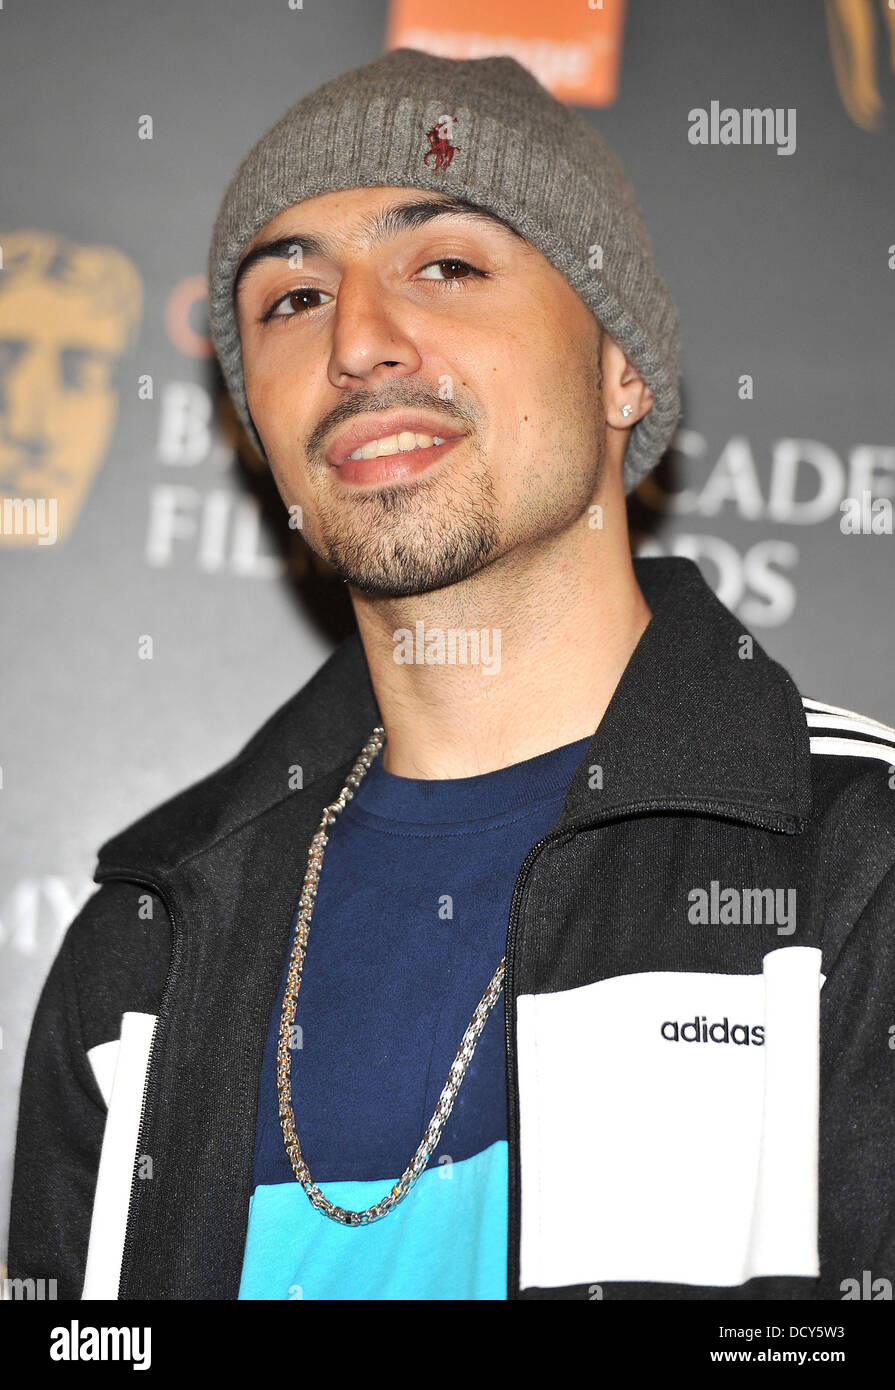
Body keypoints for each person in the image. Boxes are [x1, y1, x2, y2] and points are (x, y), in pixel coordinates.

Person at [8, 47, 895, 1302]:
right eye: (291, 301)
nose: (360, 340)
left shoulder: (857, 867)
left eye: (447, 265)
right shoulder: (147, 934)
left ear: (620, 369)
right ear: (254, 426)